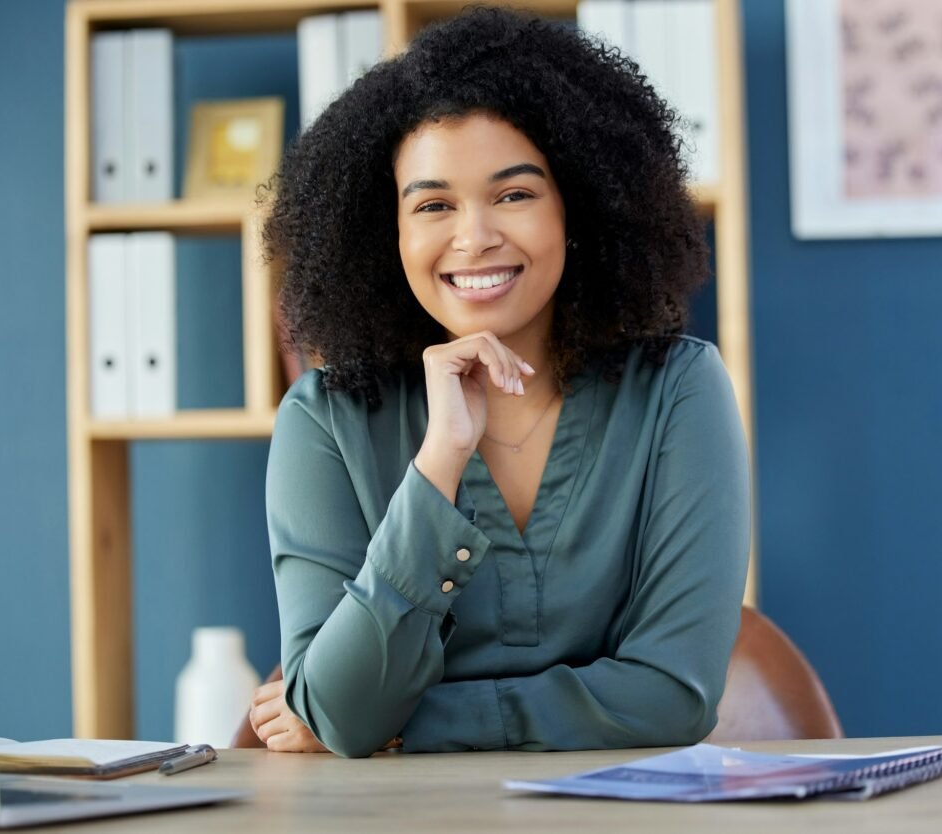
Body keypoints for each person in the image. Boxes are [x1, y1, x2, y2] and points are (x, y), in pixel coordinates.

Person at [248, 6, 750, 758]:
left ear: (575, 206)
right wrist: (439, 461)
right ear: (387, 231)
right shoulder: (323, 421)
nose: (474, 236)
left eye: (514, 194)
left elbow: (674, 697)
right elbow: (342, 712)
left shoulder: (680, 391)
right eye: (433, 205)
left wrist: (414, 725)